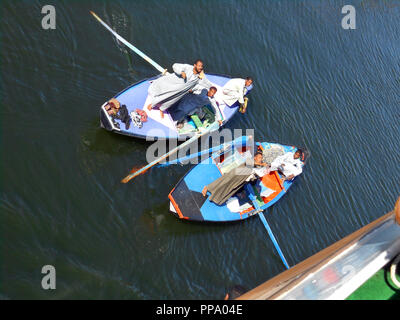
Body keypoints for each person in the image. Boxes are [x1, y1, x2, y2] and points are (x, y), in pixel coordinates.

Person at [146, 60, 213, 118]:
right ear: (195, 65)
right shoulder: (188, 67)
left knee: (170, 101)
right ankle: (152, 105)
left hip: (179, 92)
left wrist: (212, 88)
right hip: (173, 84)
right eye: (199, 66)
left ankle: (162, 109)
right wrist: (181, 72)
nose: (200, 68)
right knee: (163, 94)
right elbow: (175, 66)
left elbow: (207, 83)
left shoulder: (199, 77)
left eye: (201, 67)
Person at [201, 151, 268, 206]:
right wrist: (262, 165)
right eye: (259, 157)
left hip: (240, 181)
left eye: (261, 158)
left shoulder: (257, 167)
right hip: (235, 175)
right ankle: (207, 187)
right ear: (255, 157)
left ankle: (216, 198)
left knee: (229, 189)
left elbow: (252, 177)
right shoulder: (250, 160)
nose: (260, 159)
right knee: (222, 182)